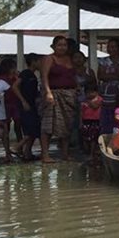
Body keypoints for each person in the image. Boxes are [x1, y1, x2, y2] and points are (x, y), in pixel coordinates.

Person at [40, 35, 78, 163]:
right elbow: (44, 77)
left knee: (67, 125)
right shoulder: (49, 58)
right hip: (53, 94)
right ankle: (45, 154)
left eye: (64, 45)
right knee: (48, 125)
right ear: (54, 46)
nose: (62, 47)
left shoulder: (69, 59)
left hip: (69, 95)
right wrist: (48, 92)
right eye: (59, 45)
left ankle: (65, 153)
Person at [97, 38, 119, 136]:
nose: (110, 49)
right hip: (106, 94)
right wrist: (115, 74)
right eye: (109, 47)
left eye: (113, 47)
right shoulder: (103, 61)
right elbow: (101, 76)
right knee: (106, 117)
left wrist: (110, 76)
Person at [16, 54, 41, 161]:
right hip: (26, 106)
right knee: (30, 130)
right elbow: (15, 86)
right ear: (33, 61)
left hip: (32, 105)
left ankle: (27, 153)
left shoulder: (34, 76)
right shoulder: (26, 73)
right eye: (39, 61)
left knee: (35, 130)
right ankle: (17, 147)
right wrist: (23, 101)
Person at [0, 57, 22, 161]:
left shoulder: (16, 77)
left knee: (18, 126)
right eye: (12, 67)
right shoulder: (2, 78)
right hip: (6, 104)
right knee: (6, 128)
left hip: (16, 103)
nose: (14, 69)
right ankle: (7, 151)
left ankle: (20, 148)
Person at [80, 80, 103, 163]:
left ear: (96, 92)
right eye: (88, 92)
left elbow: (95, 106)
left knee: (93, 139)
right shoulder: (83, 101)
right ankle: (88, 152)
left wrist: (88, 102)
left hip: (95, 121)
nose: (90, 94)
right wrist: (80, 122)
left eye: (92, 92)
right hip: (86, 121)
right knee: (86, 138)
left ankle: (92, 154)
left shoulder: (99, 99)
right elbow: (81, 112)